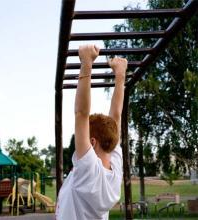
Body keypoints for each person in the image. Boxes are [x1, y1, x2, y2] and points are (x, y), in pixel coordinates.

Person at [55, 45, 128, 220]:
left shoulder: (89, 169)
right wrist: (120, 76)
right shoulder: (114, 168)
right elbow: (116, 116)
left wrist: (86, 63)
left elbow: (81, 114)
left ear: (93, 142)